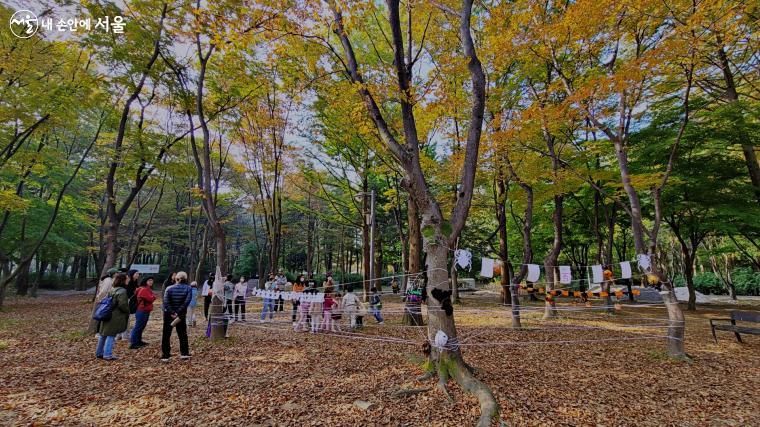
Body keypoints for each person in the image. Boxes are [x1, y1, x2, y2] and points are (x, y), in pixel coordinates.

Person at [95, 273, 129, 360]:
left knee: (103, 334)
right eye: (127, 278)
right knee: (111, 335)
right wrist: (127, 311)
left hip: (106, 314)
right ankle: (107, 354)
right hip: (115, 316)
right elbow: (123, 304)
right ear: (123, 280)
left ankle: (99, 352)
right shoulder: (122, 291)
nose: (128, 280)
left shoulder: (112, 289)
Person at [161, 271, 192, 362]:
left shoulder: (169, 288)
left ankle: (165, 355)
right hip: (181, 314)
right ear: (186, 279)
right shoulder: (188, 288)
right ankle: (184, 354)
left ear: (176, 279)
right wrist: (178, 312)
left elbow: (166, 302)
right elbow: (187, 302)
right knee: (182, 334)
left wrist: (172, 311)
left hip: (168, 314)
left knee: (166, 334)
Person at [130, 276, 156, 349]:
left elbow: (152, 297)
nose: (151, 282)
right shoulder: (143, 289)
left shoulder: (147, 289)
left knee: (141, 326)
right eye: (149, 280)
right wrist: (153, 296)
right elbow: (151, 298)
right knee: (138, 326)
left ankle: (138, 341)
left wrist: (153, 296)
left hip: (145, 310)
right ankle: (134, 343)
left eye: (152, 280)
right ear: (145, 281)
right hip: (142, 310)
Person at [116, 269, 140, 341]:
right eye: (136, 273)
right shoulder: (126, 285)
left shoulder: (135, 282)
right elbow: (128, 294)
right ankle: (123, 335)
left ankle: (121, 334)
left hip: (130, 302)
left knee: (125, 318)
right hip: (126, 302)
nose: (138, 275)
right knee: (125, 318)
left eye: (138, 274)